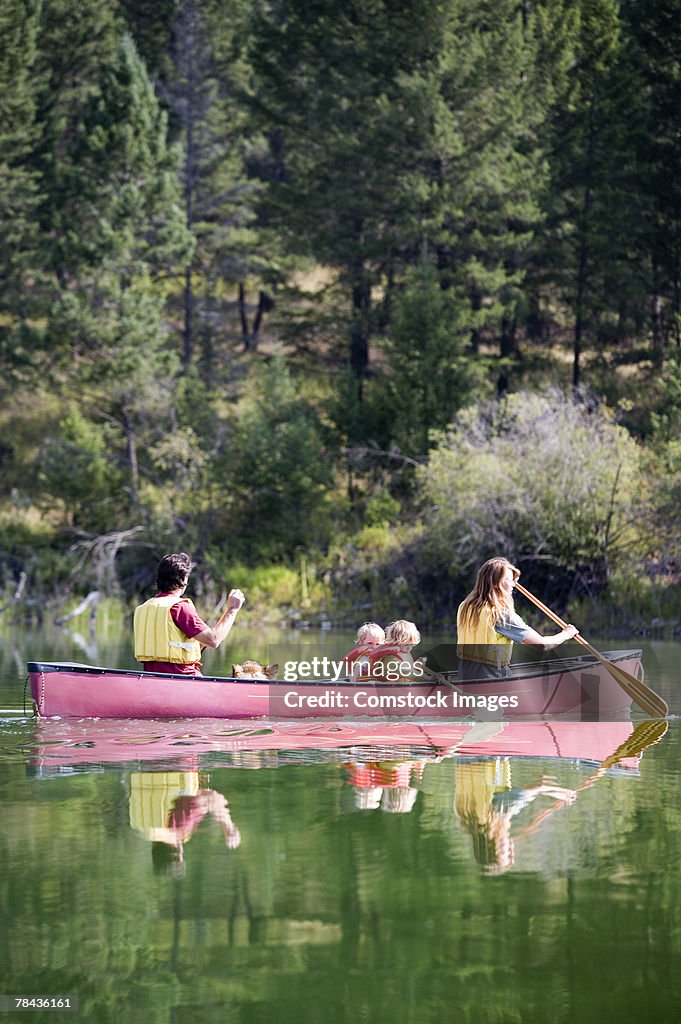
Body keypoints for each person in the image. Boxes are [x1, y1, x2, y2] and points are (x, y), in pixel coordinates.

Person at [456, 557, 578, 681]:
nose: (514, 584)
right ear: (494, 583)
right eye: (508, 580)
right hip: (491, 679)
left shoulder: (465, 607)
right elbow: (542, 645)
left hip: (465, 679)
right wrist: (567, 634)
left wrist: (508, 585)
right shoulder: (500, 614)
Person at [134, 552, 245, 675]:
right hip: (183, 678)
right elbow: (213, 640)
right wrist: (232, 609)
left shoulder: (143, 608)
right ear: (183, 579)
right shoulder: (178, 607)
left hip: (152, 678)